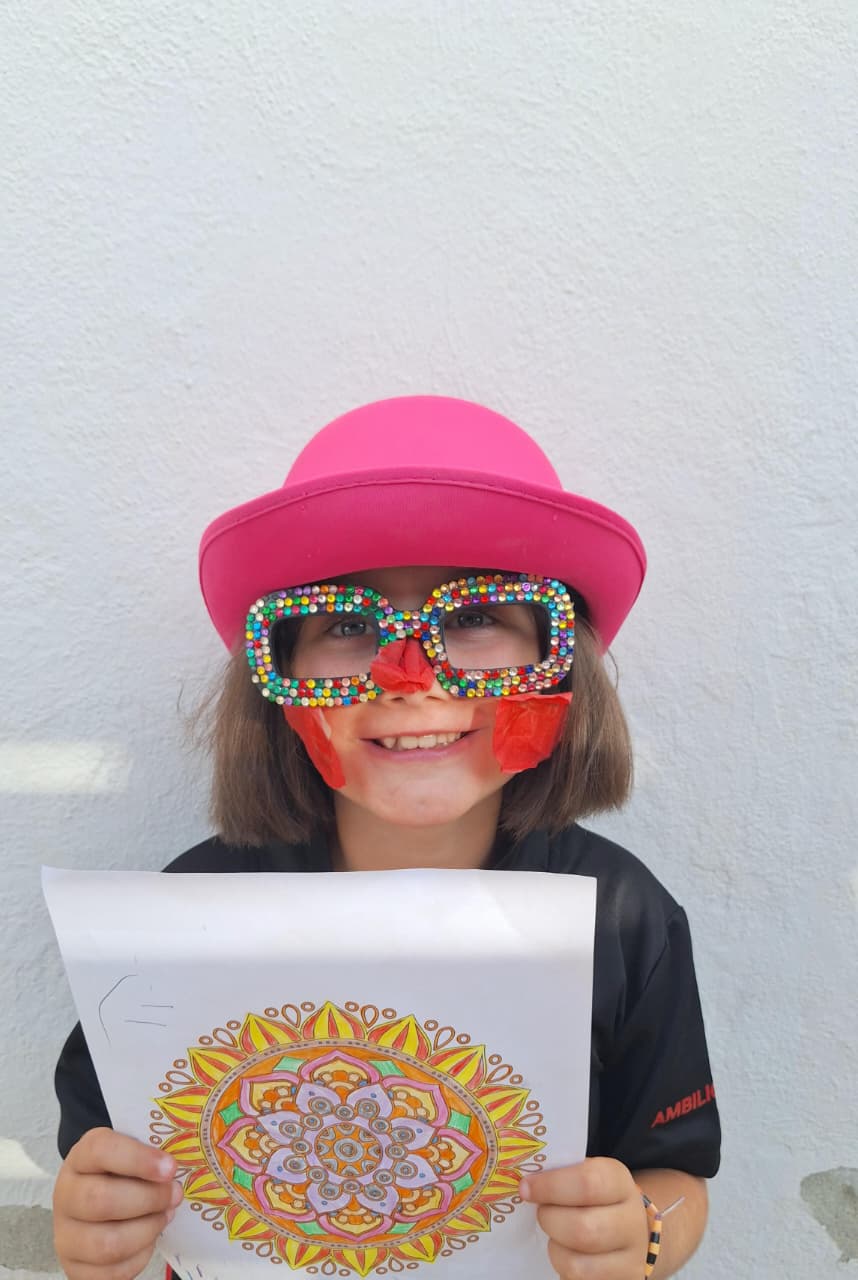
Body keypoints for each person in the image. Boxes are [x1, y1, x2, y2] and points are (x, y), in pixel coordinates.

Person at [52, 396, 721, 1280]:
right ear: (279, 676)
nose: (409, 680)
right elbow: (102, 1161)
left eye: (475, 617)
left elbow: (676, 1172)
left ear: (560, 666)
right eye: (348, 625)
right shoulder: (183, 920)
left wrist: (643, 1234)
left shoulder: (623, 915)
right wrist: (99, 1221)